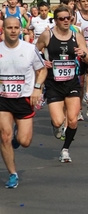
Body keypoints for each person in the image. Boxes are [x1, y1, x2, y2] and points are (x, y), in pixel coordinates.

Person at [36, 6, 88, 163]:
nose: (66, 21)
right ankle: (56, 126)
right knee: (58, 121)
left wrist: (83, 54)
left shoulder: (77, 36)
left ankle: (65, 149)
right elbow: (33, 53)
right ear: (56, 20)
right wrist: (42, 61)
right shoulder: (47, 35)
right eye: (62, 18)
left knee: (73, 120)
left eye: (68, 18)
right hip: (53, 83)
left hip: (72, 83)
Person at [0, 17, 47, 188]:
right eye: (9, 27)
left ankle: (17, 137)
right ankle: (13, 174)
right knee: (5, 136)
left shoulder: (29, 49)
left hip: (24, 98)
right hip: (3, 99)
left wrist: (37, 88)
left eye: (16, 27)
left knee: (25, 141)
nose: (12, 30)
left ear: (21, 29)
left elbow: (42, 70)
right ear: (3, 29)